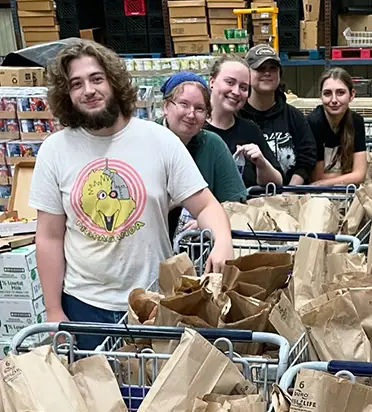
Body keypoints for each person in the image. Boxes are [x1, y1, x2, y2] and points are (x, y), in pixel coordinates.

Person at [28, 40, 234, 349]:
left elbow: (205, 204)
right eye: (76, 84)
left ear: (113, 81)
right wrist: (54, 309)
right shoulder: (54, 151)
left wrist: (223, 241)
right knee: (92, 397)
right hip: (83, 307)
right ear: (66, 95)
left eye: (96, 79)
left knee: (152, 395)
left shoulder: (160, 141)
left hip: (152, 303)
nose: (88, 90)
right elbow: (49, 237)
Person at [160, 71, 247, 238]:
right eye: (184, 104)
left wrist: (206, 222)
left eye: (199, 108)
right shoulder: (148, 139)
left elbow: (236, 206)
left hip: (197, 248)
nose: (191, 114)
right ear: (166, 106)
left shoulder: (212, 145)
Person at [240, 45, 316, 185]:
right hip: (247, 201)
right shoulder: (237, 117)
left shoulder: (294, 117)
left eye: (273, 68)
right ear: (247, 75)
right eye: (260, 68)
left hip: (291, 198)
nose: (267, 73)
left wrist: (291, 192)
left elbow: (307, 158)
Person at [204, 54, 284, 188]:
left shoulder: (250, 131)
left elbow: (277, 183)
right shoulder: (194, 129)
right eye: (230, 82)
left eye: (243, 87)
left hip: (246, 208)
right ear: (212, 82)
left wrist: (261, 163)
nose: (236, 92)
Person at [307, 67, 367, 186]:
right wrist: (351, 175)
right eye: (327, 93)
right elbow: (316, 178)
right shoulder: (313, 123)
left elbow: (360, 174)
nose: (334, 100)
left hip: (346, 191)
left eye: (340, 93)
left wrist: (355, 174)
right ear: (320, 96)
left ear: (352, 95)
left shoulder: (356, 121)